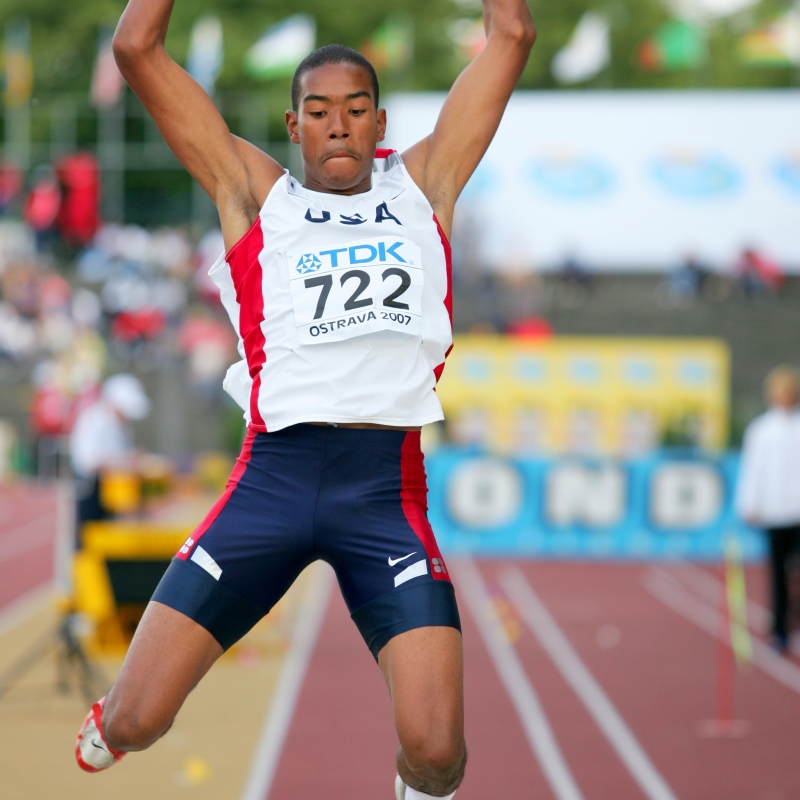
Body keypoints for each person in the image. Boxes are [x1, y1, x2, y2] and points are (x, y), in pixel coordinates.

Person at [74, 2, 536, 797]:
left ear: (380, 120)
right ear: (294, 125)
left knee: (438, 752)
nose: (339, 128)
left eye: (357, 110)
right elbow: (135, 47)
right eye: (319, 113)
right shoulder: (258, 196)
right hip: (270, 486)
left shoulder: (426, 184)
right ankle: (112, 718)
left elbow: (514, 36)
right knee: (139, 722)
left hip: (383, 493)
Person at [735, 366, 800, 654]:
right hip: (774, 512)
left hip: (797, 511)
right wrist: (749, 504)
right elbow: (753, 470)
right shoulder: (761, 430)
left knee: (795, 572)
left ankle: (793, 623)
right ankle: (780, 629)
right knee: (777, 572)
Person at [70, 373, 151, 537]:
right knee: (88, 540)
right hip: (92, 493)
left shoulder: (122, 426)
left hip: (113, 493)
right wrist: (123, 460)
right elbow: (87, 461)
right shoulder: (93, 421)